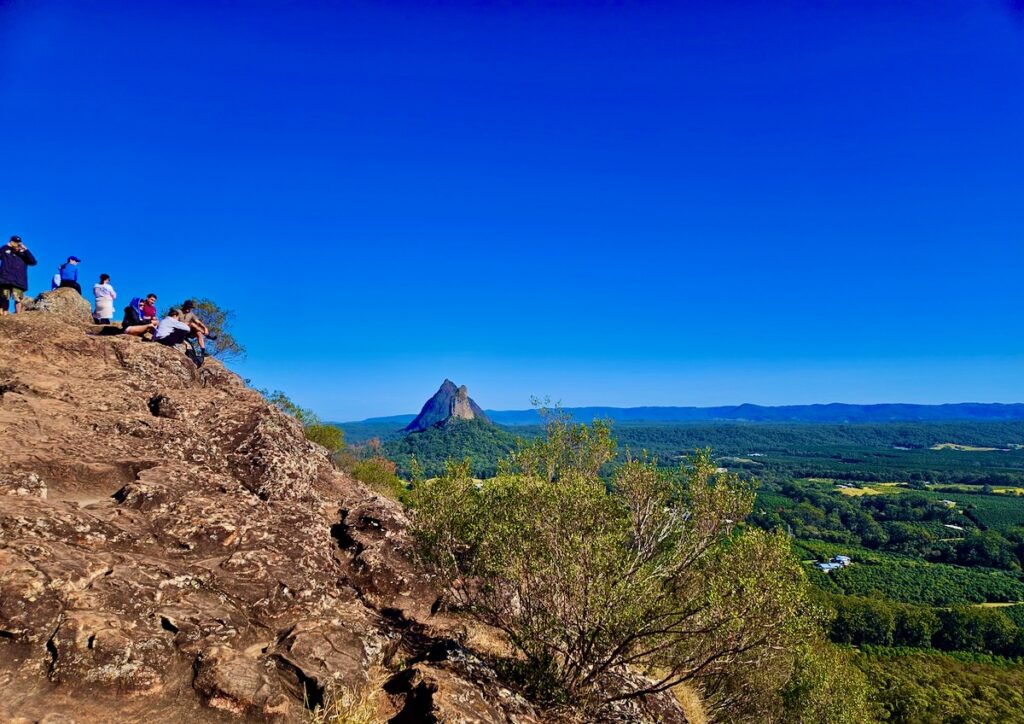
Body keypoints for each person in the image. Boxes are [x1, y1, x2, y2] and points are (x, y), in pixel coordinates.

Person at [0, 235, 37, 315]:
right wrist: (7, 246)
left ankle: (18, 315)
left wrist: (26, 249)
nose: (16, 244)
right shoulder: (6, 251)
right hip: (5, 279)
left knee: (18, 299)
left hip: (18, 281)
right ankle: (4, 314)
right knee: (4, 297)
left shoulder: (23, 254)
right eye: (14, 242)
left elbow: (33, 262)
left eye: (18, 243)